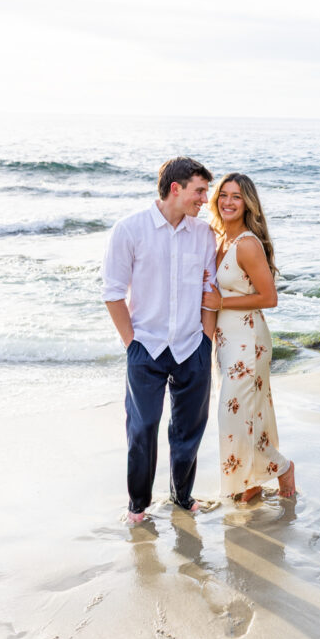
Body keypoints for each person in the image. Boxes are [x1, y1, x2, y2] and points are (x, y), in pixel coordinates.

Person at [102, 157, 218, 524]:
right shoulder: (130, 229)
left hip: (191, 346)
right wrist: (130, 343)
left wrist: (206, 339)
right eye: (199, 191)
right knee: (143, 427)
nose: (204, 199)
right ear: (175, 188)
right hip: (146, 348)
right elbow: (113, 293)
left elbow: (208, 288)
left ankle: (182, 496)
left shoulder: (203, 234)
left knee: (188, 430)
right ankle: (138, 506)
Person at [203, 173, 295, 502]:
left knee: (233, 415)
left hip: (248, 339)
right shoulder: (218, 239)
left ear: (247, 204)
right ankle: (250, 483)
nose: (228, 202)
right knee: (244, 414)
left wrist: (222, 302)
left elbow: (270, 297)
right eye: (223, 195)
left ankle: (281, 468)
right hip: (227, 342)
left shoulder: (247, 244)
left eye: (236, 197)